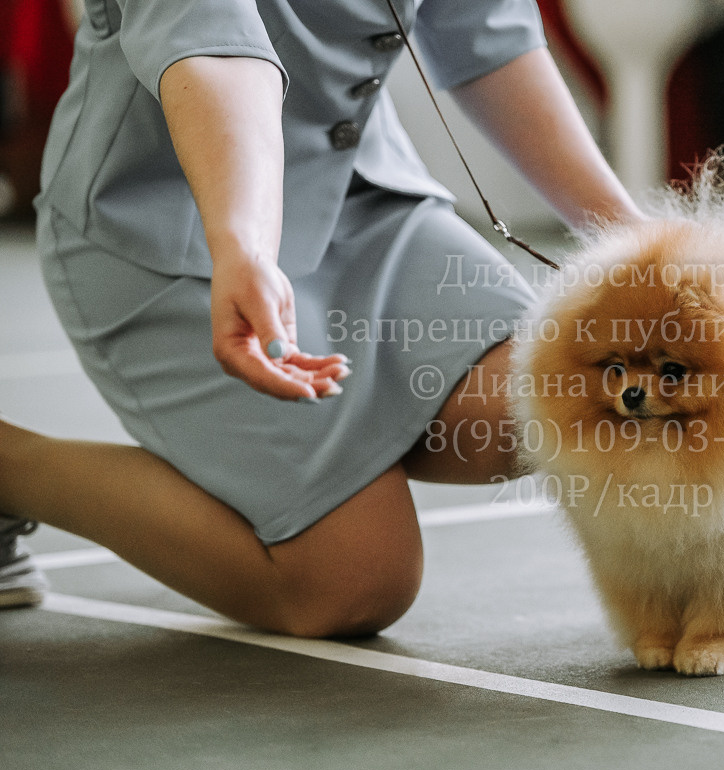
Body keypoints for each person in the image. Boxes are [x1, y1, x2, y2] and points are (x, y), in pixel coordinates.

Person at [0, 0, 643, 634]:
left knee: (567, 405)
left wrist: (633, 246)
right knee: (354, 583)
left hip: (367, 198)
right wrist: (246, 246)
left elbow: (486, 35)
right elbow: (216, 47)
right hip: (175, 222)